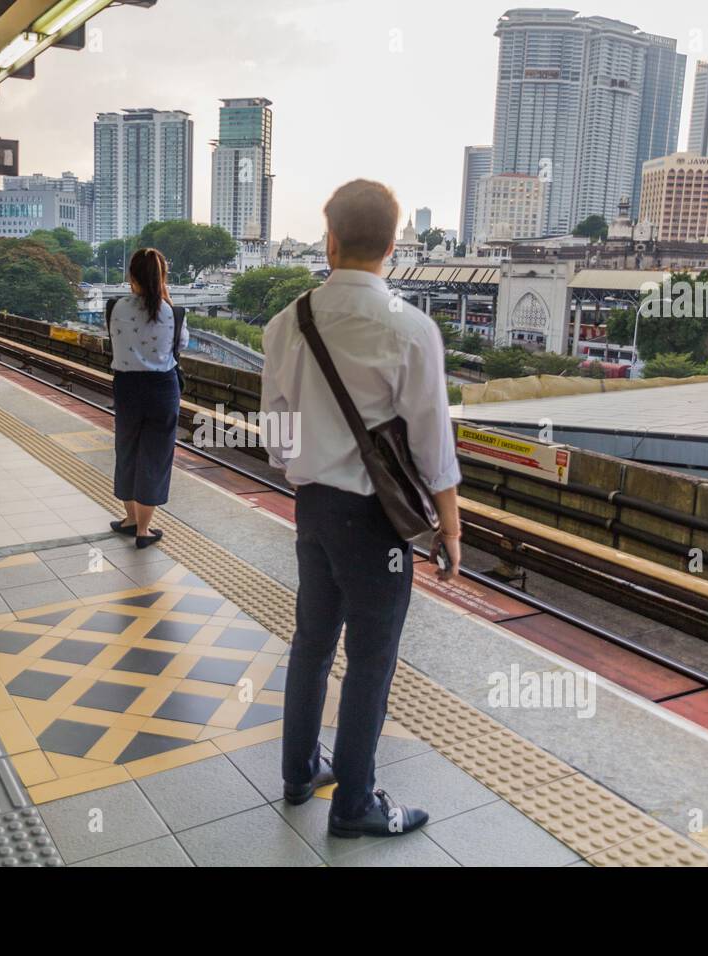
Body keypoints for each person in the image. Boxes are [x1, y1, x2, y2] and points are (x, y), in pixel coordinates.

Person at [261, 179, 463, 838]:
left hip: (311, 508)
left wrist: (310, 471)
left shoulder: (285, 323)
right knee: (371, 660)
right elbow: (432, 443)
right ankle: (353, 806)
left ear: (331, 241)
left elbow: (277, 438)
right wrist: (449, 528)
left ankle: (299, 774)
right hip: (375, 523)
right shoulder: (412, 329)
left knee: (312, 646)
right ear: (394, 247)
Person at [105, 248, 187, 549]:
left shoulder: (115, 307)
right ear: (162, 276)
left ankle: (129, 519)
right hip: (162, 389)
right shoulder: (172, 312)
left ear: (131, 276)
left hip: (127, 388)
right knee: (154, 456)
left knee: (126, 449)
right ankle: (143, 530)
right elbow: (180, 346)